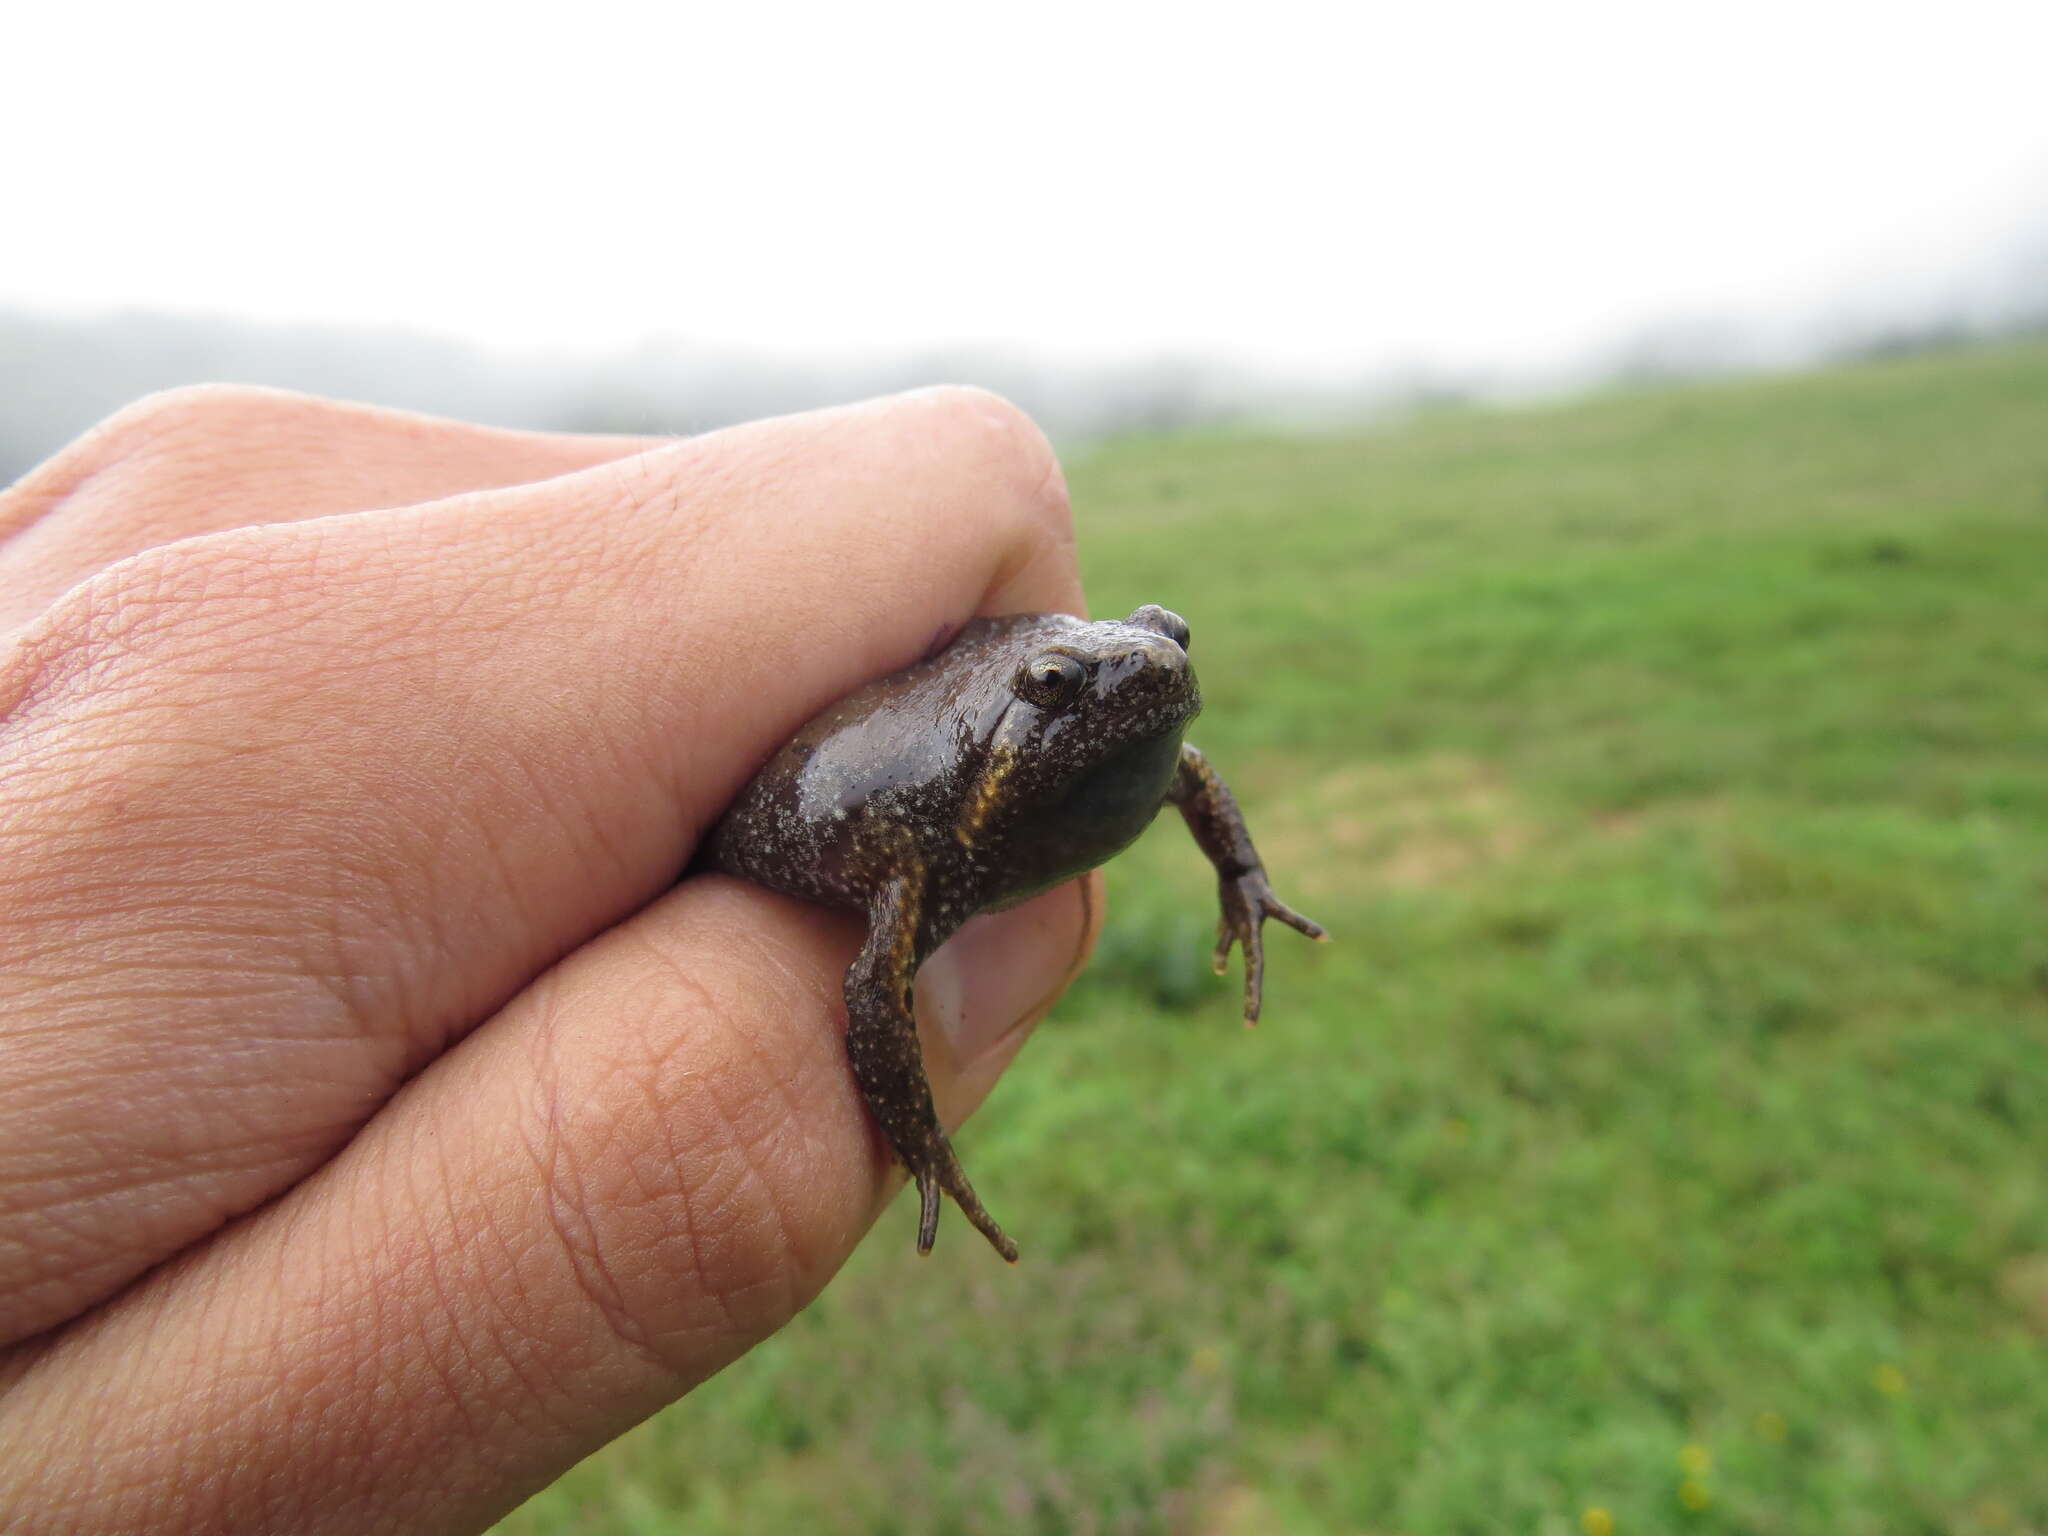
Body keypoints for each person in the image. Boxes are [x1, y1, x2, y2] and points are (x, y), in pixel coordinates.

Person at [0, 384, 1095, 1532]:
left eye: (1162, 641)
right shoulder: (916, 830)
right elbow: (877, 982)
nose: (1146, 668)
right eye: (1063, 689)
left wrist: (1242, 880)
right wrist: (916, 1136)